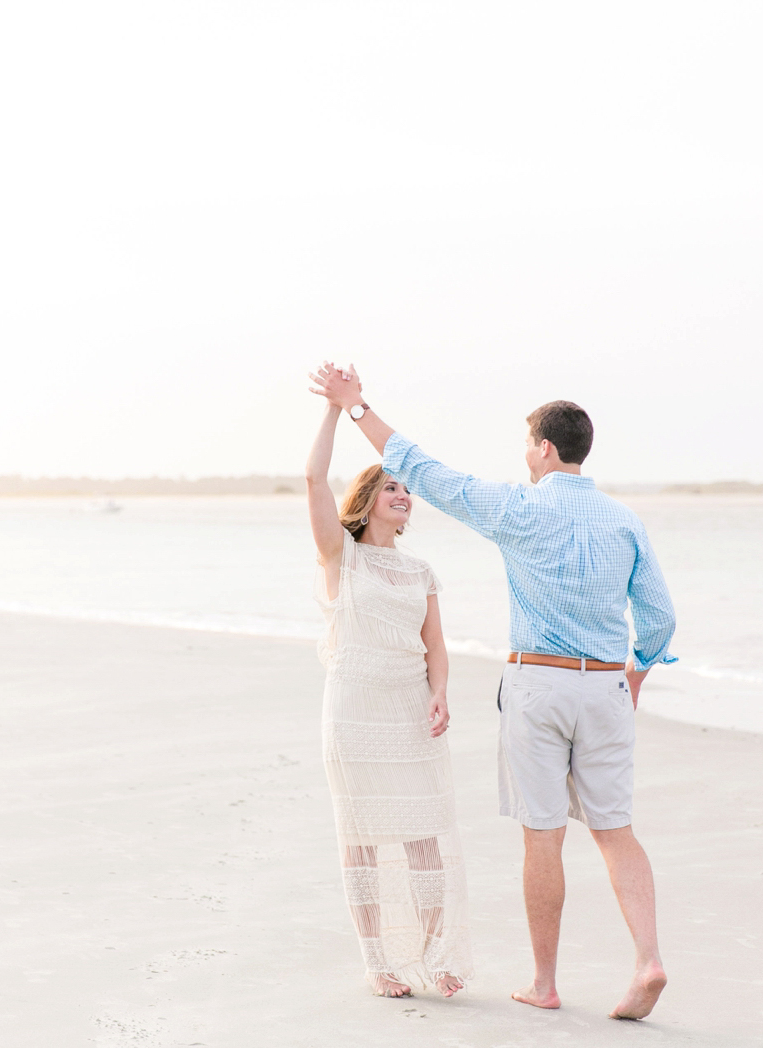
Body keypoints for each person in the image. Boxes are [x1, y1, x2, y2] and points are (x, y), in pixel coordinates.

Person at [309, 362, 676, 1020]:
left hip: (539, 682)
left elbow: (425, 471)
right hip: (606, 689)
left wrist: (357, 409)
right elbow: (658, 620)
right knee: (616, 831)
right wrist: (636, 676)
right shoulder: (624, 522)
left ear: (542, 448)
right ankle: (647, 958)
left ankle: (545, 983)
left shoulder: (517, 508)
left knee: (543, 836)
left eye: (526, 445)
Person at [303, 376, 473, 999]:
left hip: (409, 708)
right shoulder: (338, 558)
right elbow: (313, 480)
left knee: (424, 834)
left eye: (406, 488)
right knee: (363, 837)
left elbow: (436, 646)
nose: (403, 494)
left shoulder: (420, 569)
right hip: (352, 709)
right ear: (369, 499)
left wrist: (440, 692)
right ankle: (378, 962)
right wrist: (333, 410)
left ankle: (435, 954)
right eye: (391, 487)